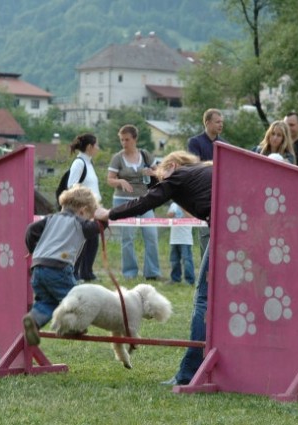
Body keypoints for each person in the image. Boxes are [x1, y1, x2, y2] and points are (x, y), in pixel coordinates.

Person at [96, 150, 212, 385]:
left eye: (161, 169)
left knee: (203, 298)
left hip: (227, 228)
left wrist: (109, 213)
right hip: (241, 223)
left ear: (173, 164)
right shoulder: (201, 173)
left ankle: (188, 374)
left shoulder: (178, 176)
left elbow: (147, 201)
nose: (159, 176)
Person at [22, 185, 107, 346]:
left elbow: (30, 230)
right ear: (82, 211)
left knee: (47, 301)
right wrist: (104, 217)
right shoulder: (78, 222)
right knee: (77, 298)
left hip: (38, 267)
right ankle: (73, 326)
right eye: (88, 216)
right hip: (59, 268)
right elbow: (98, 227)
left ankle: (33, 319)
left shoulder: (50, 219)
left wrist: (34, 250)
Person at [106, 124, 162, 280]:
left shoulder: (145, 155)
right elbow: (109, 180)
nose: (124, 143)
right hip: (122, 200)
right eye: (122, 140)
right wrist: (120, 181)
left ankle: (152, 273)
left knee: (151, 235)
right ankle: (129, 273)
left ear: (135, 139)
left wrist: (152, 173)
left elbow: (160, 172)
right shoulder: (117, 157)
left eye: (127, 139)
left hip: (144, 200)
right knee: (127, 238)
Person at [187, 108, 224, 257]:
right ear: (207, 123)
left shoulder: (225, 144)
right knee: (205, 235)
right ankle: (205, 277)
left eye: (222, 122)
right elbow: (195, 166)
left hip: (220, 195)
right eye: (217, 122)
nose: (221, 125)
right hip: (203, 195)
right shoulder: (195, 142)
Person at [67, 133, 101, 282]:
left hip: (92, 210)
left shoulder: (89, 163)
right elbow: (71, 185)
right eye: (96, 145)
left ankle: (87, 273)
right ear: (89, 147)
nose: (98, 148)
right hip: (83, 210)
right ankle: (74, 273)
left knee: (93, 241)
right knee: (81, 243)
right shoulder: (79, 163)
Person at [167, 202, 195, 285]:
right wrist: (171, 214)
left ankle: (190, 280)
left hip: (185, 239)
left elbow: (192, 218)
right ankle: (175, 278)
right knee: (174, 260)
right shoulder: (173, 204)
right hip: (174, 239)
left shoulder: (190, 204)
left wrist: (183, 209)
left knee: (187, 260)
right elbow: (169, 215)